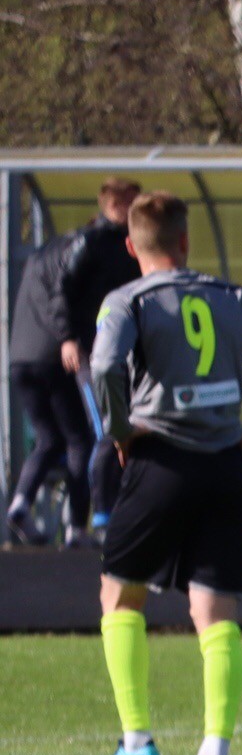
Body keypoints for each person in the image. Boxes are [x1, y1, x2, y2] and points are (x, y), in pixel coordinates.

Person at [87, 192, 242, 755]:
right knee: (214, 611)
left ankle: (138, 742)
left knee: (120, 596)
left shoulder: (128, 300)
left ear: (131, 246)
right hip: (224, 465)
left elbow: (104, 366)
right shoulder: (232, 296)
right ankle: (214, 753)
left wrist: (119, 430)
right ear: (186, 241)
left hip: (159, 461)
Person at [58, 178, 143, 531]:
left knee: (130, 428)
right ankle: (101, 513)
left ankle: (123, 508)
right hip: (93, 352)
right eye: (131, 203)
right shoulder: (90, 242)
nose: (136, 210)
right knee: (107, 430)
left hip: (129, 351)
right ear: (113, 205)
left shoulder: (134, 243)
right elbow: (63, 290)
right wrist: (68, 338)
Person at [6, 227, 91, 544]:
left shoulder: (37, 258)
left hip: (20, 359)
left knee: (49, 438)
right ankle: (77, 528)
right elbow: (65, 302)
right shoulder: (73, 256)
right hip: (53, 357)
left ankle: (20, 502)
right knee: (79, 439)